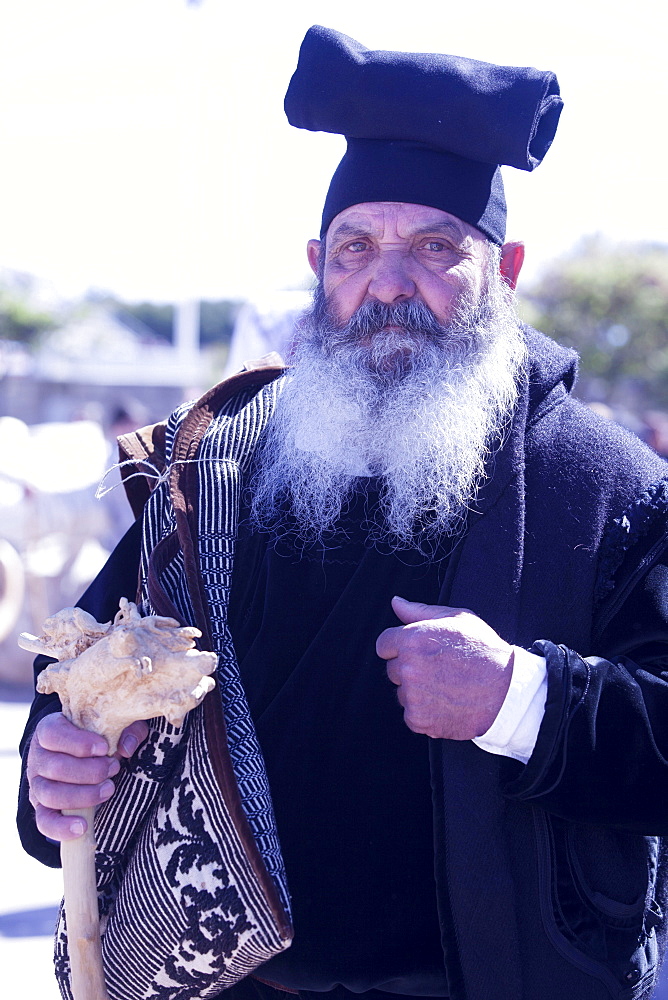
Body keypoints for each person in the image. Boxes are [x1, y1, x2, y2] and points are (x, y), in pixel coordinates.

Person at [17, 25, 668, 1000]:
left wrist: (520, 702)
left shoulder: (606, 483)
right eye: (358, 247)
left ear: (507, 267)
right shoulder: (218, 459)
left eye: (434, 247)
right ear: (320, 263)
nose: (387, 283)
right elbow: (84, 668)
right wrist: (54, 753)